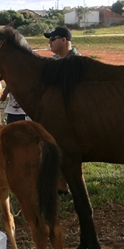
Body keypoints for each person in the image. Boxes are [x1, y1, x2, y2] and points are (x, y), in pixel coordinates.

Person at [44, 26, 81, 194]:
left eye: (52, 39)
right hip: (58, 114)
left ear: (64, 40)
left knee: (73, 153)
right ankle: (61, 187)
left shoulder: (77, 61)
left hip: (75, 114)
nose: (49, 43)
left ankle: (74, 186)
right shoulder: (53, 61)